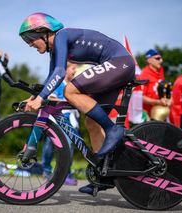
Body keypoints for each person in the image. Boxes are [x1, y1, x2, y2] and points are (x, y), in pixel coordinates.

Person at [19, 12, 135, 195]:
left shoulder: (61, 36)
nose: (30, 44)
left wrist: (41, 98)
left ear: (44, 32)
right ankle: (102, 174)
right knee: (91, 122)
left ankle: (113, 129)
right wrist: (36, 96)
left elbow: (59, 72)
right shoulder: (56, 49)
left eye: (31, 39)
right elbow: (52, 78)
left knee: (70, 91)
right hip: (116, 65)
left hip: (120, 62)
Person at [42, 62, 80, 186]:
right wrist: (67, 101)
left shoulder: (74, 85)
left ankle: (66, 173)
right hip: (57, 119)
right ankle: (46, 169)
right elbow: (51, 99)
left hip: (71, 120)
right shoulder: (59, 84)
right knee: (49, 145)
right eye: (73, 68)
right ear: (66, 70)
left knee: (69, 145)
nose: (75, 71)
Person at [137, 49, 170, 120]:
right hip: (146, 115)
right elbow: (140, 97)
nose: (161, 61)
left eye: (161, 58)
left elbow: (164, 90)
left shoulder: (160, 71)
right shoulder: (144, 75)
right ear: (149, 60)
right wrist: (158, 102)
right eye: (157, 58)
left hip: (159, 112)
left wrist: (168, 100)